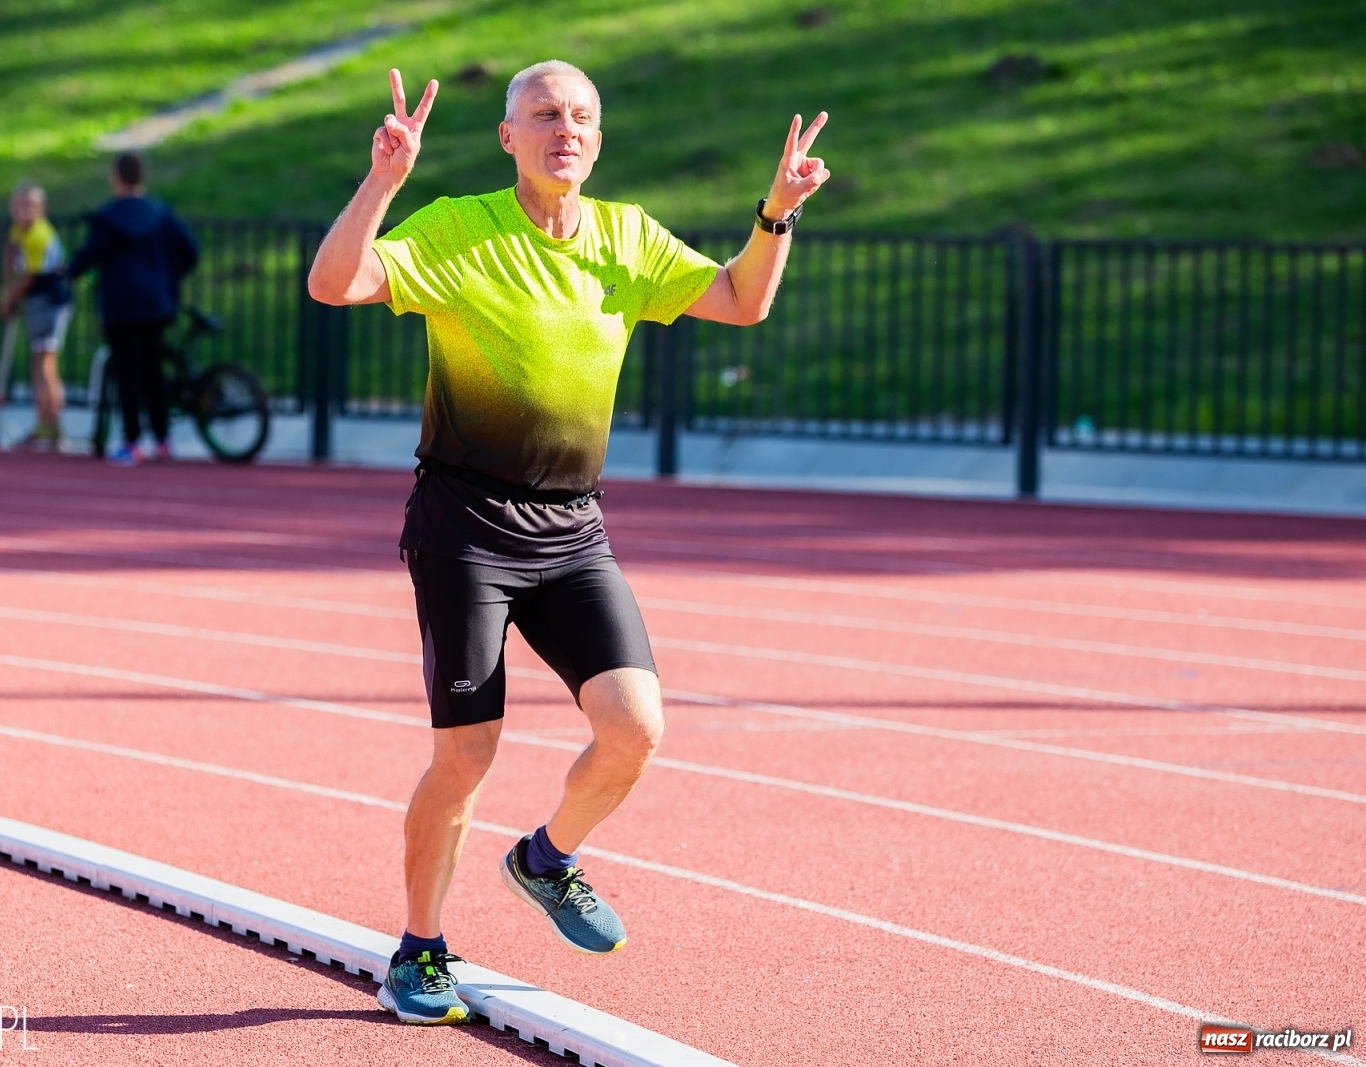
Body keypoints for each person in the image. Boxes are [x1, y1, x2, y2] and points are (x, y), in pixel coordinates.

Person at [308, 61, 830, 1024]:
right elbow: (334, 283)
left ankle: (545, 859)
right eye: (544, 115)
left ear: (599, 137)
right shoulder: (462, 230)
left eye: (582, 117)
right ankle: (421, 949)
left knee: (636, 727)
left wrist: (777, 213)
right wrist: (384, 180)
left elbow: (739, 300)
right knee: (466, 755)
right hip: (465, 524)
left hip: (572, 529)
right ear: (508, 136)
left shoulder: (627, 237)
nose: (566, 130)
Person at [65, 152, 199, 465]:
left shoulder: (108, 218)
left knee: (126, 373)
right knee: (153, 370)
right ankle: (163, 439)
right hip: (155, 303)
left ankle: (132, 439)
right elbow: (189, 250)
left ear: (117, 177)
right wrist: (168, 279)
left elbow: (88, 256)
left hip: (121, 304)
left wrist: (69, 274)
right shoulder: (160, 213)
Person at [1, 183, 75, 451]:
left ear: (41, 209)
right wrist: (9, 286)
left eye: (29, 206)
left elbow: (31, 276)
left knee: (46, 364)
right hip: (35, 300)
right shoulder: (19, 230)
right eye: (19, 206)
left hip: (50, 301)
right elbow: (10, 253)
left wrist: (10, 297)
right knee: (38, 363)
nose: (23, 211)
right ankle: (45, 423)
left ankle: (51, 425)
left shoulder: (39, 236)